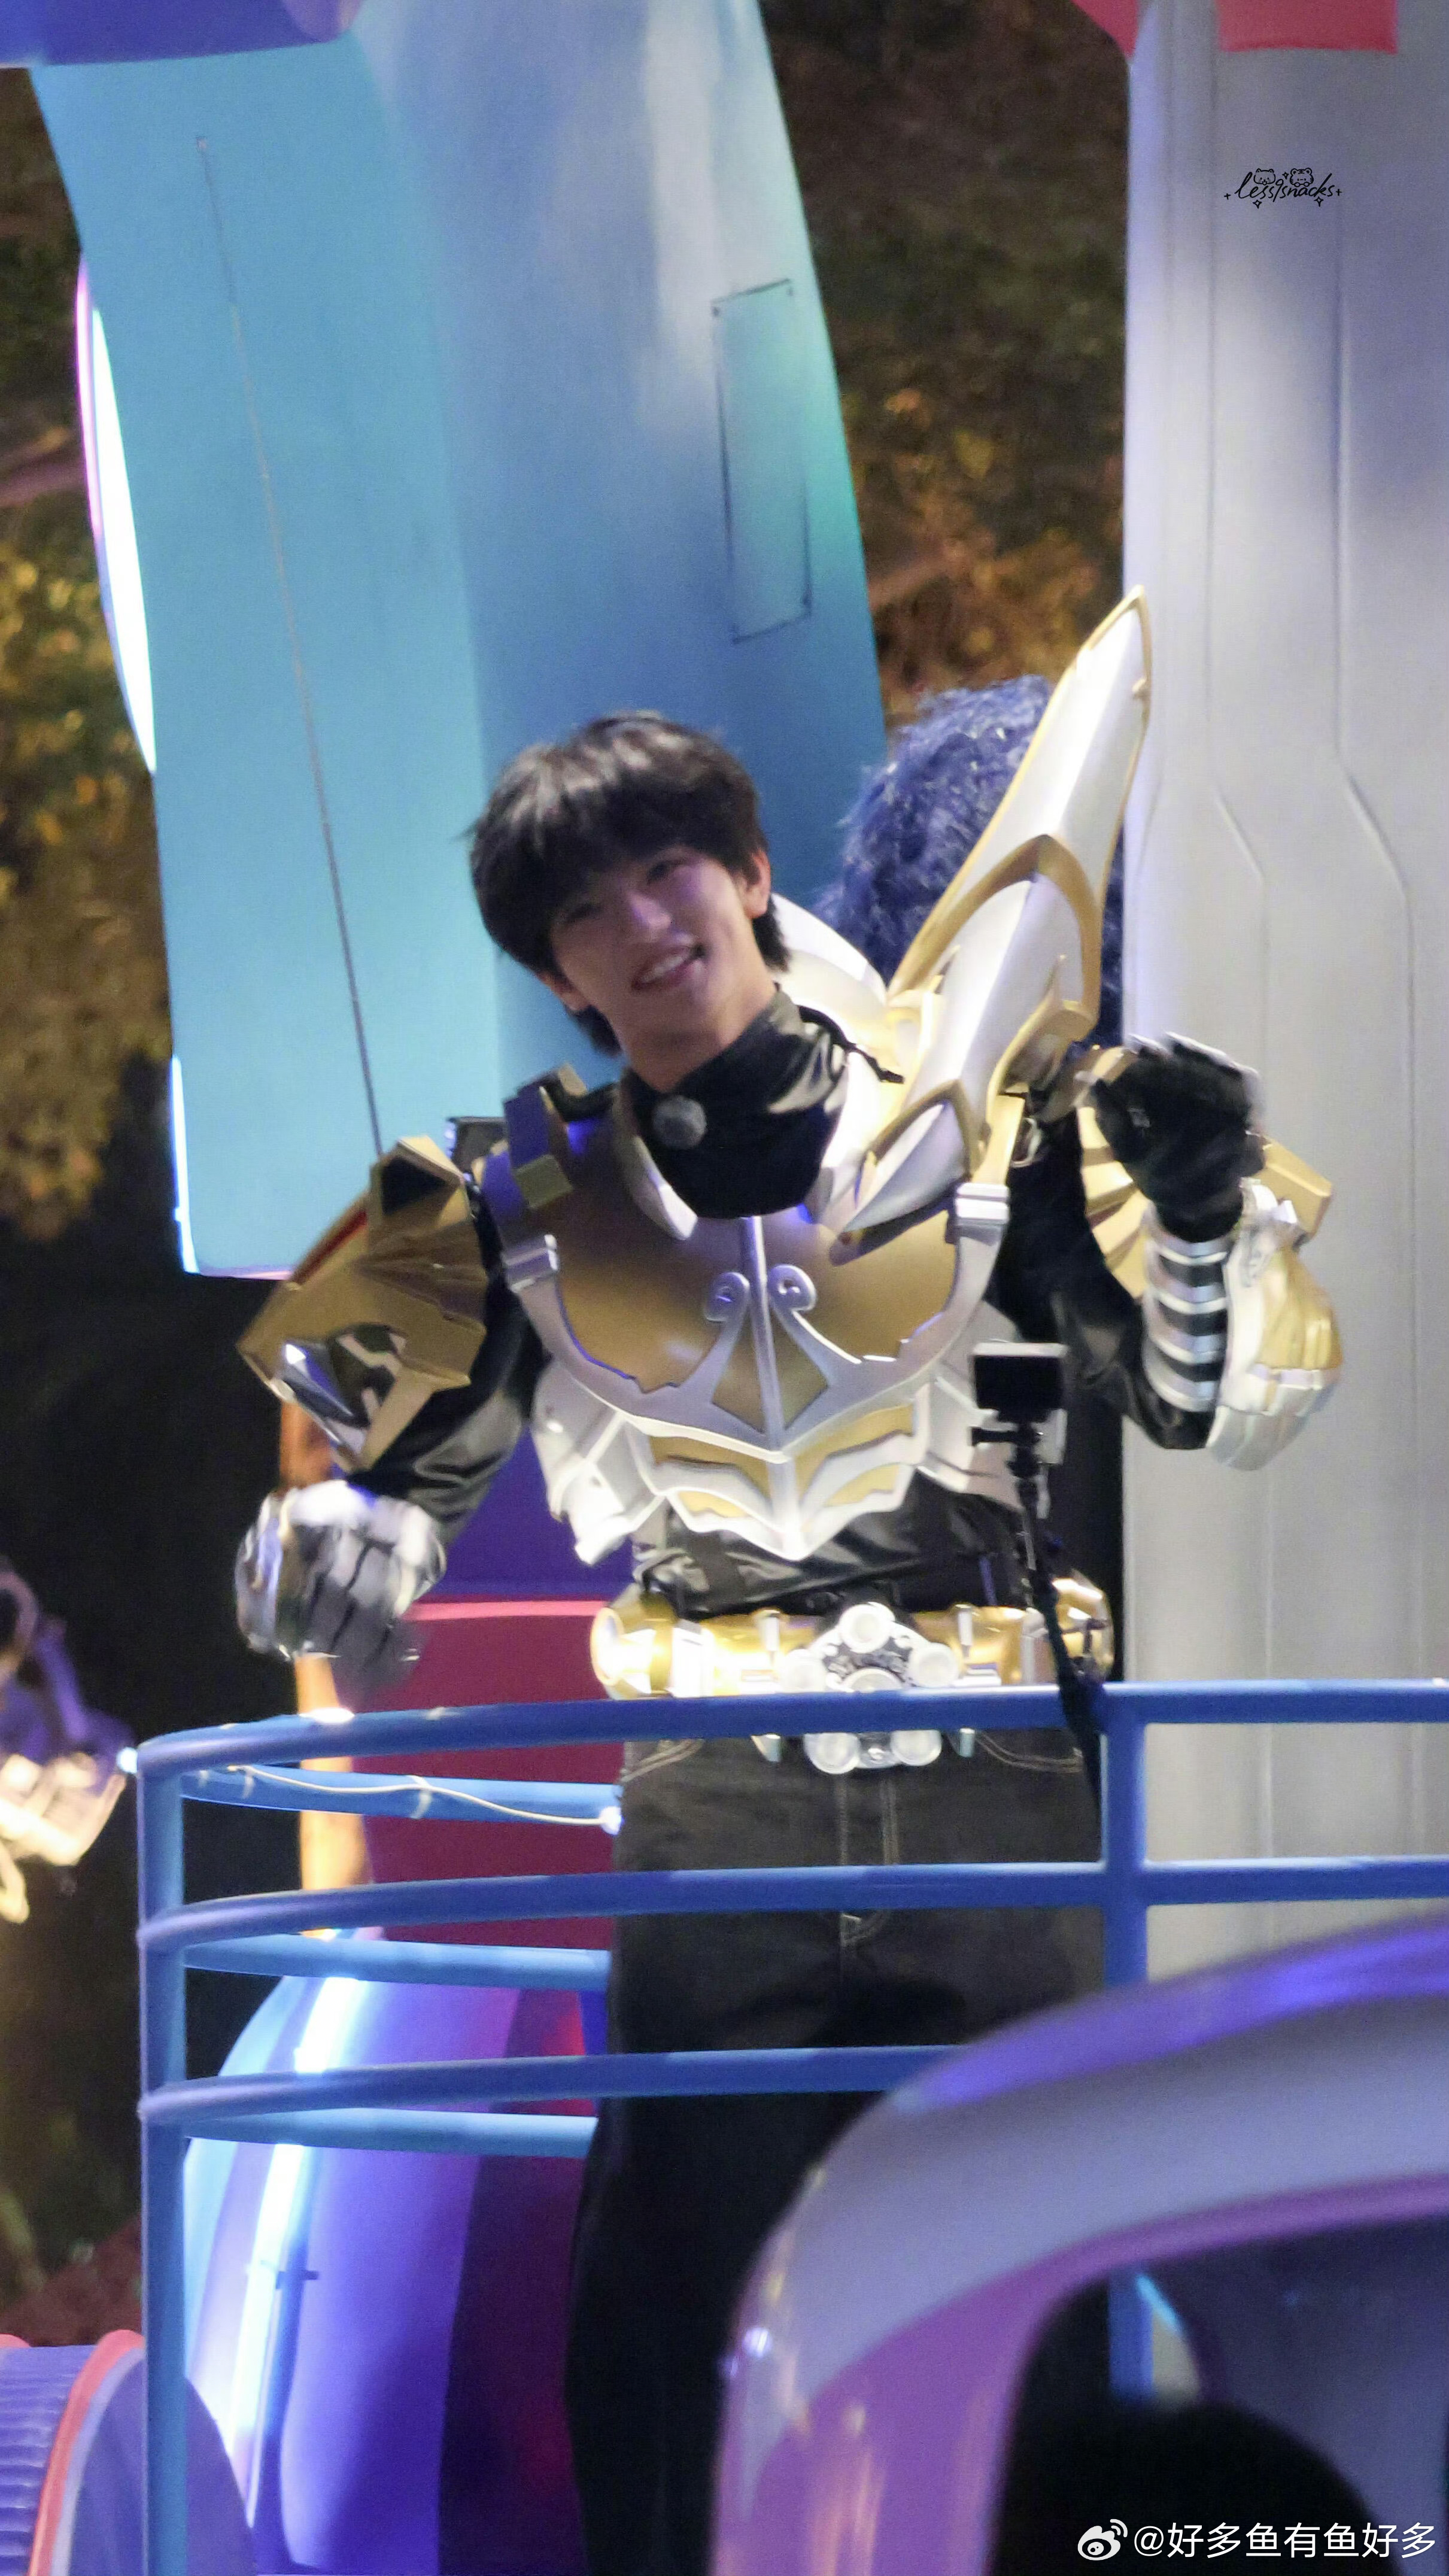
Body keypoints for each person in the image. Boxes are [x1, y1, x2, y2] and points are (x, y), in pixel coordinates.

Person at [233, 594, 1339, 2576]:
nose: (644, 926)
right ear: (559, 974)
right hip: (719, 1801)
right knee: (685, 2296)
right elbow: (366, 1510)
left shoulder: (1002, 1123)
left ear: (749, 873)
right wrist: (330, 1554)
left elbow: (1219, 1402)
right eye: (587, 912)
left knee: (1032, 2273)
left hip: (995, 1776)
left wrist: (1192, 1216)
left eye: (669, 871)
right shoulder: (506, 1200)